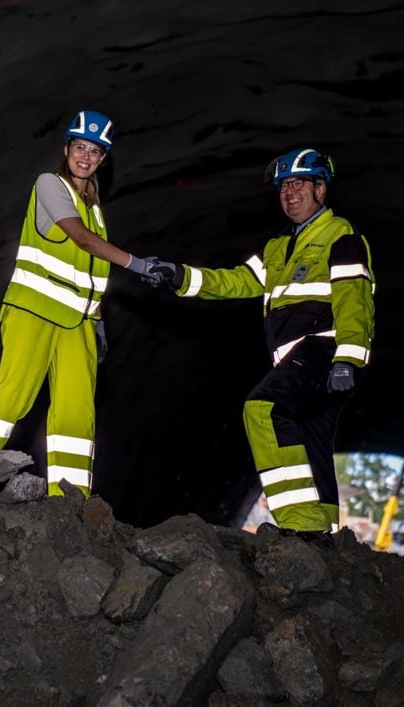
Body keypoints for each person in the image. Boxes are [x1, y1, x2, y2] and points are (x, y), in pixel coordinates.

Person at [147, 147, 375, 543]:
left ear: (321, 189)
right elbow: (235, 281)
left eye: (299, 183)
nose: (290, 193)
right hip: (297, 357)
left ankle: (298, 523)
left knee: (263, 408)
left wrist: (347, 359)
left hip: (323, 349)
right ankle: (322, 533)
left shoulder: (341, 236)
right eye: (284, 186)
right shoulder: (276, 249)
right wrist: (181, 277)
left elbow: (355, 298)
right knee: (310, 439)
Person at [0, 109, 164, 498]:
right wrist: (139, 264)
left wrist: (99, 322)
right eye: (80, 147)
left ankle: (68, 501)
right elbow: (82, 241)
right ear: (66, 148)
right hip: (33, 313)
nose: (85, 157)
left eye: (95, 151)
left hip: (79, 326)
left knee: (76, 414)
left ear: (103, 159)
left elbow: (91, 277)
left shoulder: (96, 212)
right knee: (8, 397)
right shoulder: (49, 186)